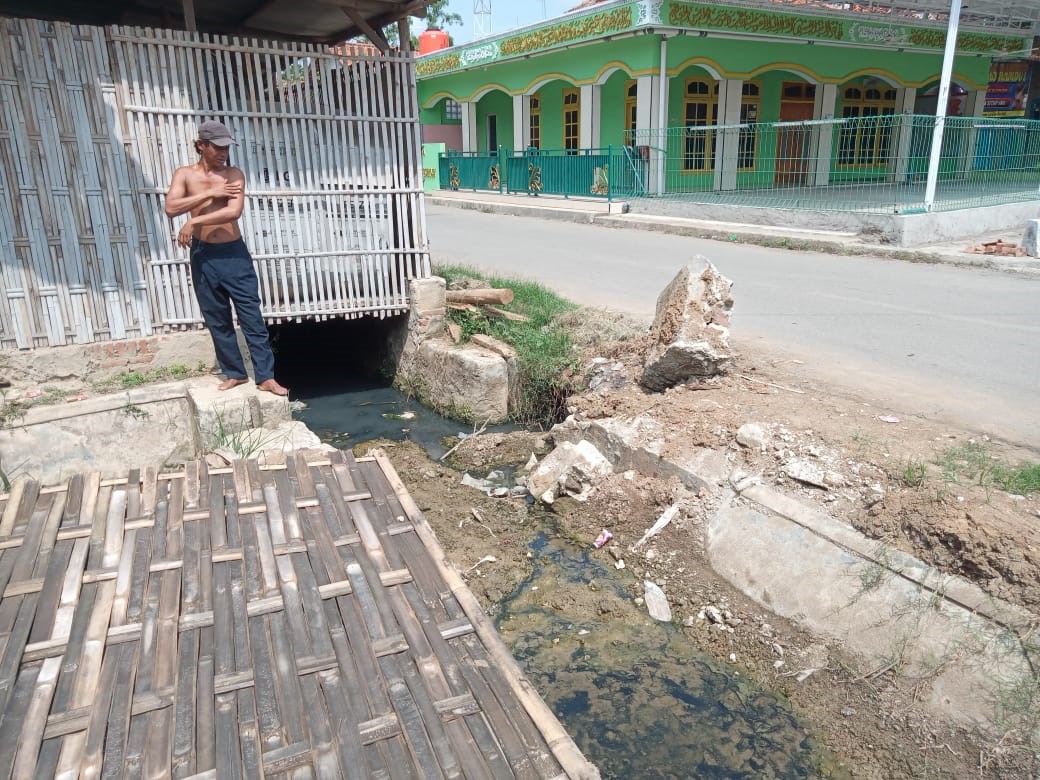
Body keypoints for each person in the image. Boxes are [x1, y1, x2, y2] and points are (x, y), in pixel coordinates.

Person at [164, 119, 288, 396]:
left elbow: (233, 212)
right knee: (216, 316)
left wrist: (194, 222)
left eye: (226, 148)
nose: (223, 153)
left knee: (251, 316)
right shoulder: (184, 175)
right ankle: (235, 373)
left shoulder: (233, 175)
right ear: (201, 146)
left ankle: (266, 376)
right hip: (203, 254)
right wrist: (210, 193)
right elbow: (171, 207)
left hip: (233, 254)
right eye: (217, 148)